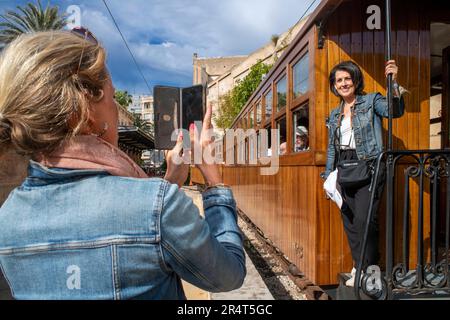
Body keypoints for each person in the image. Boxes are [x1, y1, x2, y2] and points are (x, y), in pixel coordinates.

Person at [0, 30, 245, 299]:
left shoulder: (8, 219)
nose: (117, 109)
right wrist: (214, 182)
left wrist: (171, 178)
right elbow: (228, 275)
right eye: (112, 98)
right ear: (83, 110)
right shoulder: (157, 206)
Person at [322, 60, 405, 287]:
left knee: (364, 220)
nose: (343, 83)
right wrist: (328, 176)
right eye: (338, 80)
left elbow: (394, 111)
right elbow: (332, 147)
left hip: (369, 166)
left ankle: (370, 271)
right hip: (345, 168)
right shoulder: (335, 113)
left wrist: (393, 83)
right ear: (334, 85)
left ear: (356, 80)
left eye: (347, 78)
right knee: (349, 219)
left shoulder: (371, 101)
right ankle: (360, 266)